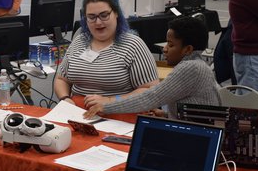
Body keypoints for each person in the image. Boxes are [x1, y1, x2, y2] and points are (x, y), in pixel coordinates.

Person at [84, 16, 220, 119]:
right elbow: (194, 111)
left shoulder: (191, 68)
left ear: (188, 49)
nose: (165, 49)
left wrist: (106, 106)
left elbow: (152, 97)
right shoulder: (198, 64)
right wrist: (166, 115)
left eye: (171, 45)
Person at [54, 0, 159, 108]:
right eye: (91, 17)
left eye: (104, 15)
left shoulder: (133, 45)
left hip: (117, 115)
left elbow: (149, 89)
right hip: (77, 113)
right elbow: (61, 79)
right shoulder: (79, 41)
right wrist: (65, 98)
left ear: (116, 13)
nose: (98, 22)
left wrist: (110, 101)